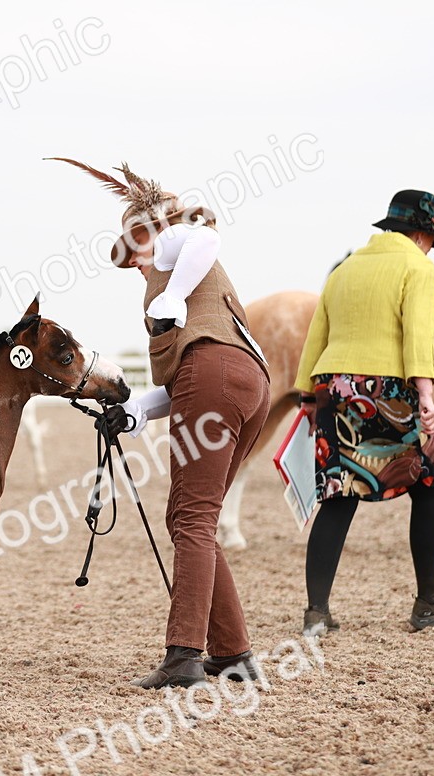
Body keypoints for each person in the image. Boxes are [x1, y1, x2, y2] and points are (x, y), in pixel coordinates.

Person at [52, 159, 271, 687]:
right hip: (244, 382)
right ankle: (232, 652)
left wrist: (171, 295)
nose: (131, 263)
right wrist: (135, 413)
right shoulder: (181, 279)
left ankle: (183, 656)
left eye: (132, 251)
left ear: (149, 230)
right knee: (193, 517)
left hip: (215, 377)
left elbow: (204, 242)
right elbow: (185, 382)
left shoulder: (176, 243)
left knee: (191, 518)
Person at [294, 190, 434, 636]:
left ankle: (317, 613)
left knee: (338, 496)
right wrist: (428, 396)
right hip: (388, 388)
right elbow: (418, 337)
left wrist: (306, 396)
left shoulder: (344, 269)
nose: (430, 247)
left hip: (333, 386)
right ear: (423, 232)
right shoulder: (417, 266)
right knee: (430, 484)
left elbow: (316, 333)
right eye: (432, 239)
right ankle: (430, 602)